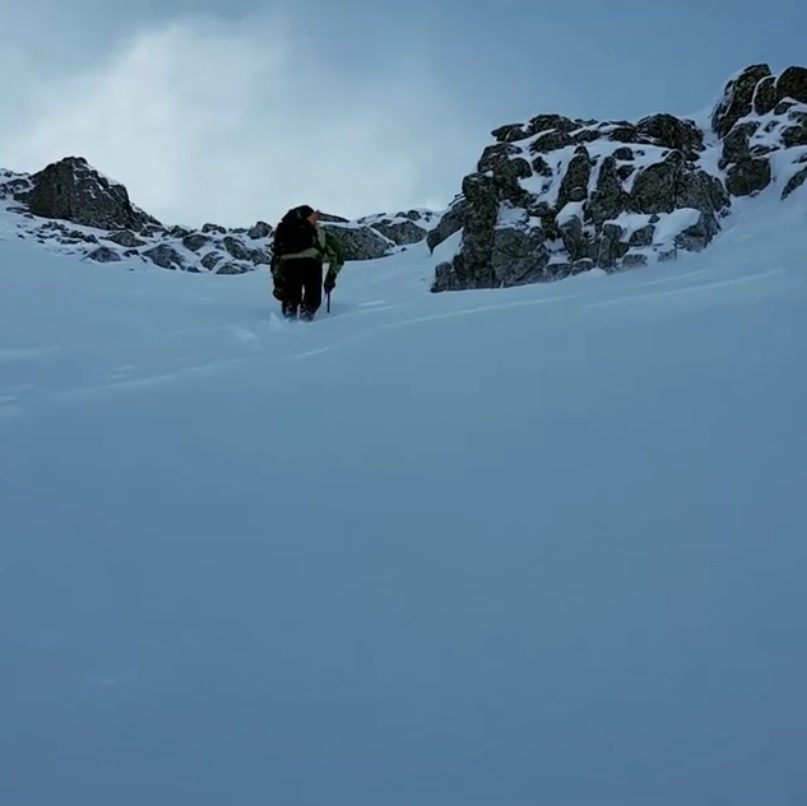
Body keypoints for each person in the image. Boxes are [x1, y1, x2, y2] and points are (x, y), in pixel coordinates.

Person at [270, 205, 344, 321]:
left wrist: (278, 284)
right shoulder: (319, 233)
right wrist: (330, 278)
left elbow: (276, 260)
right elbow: (338, 255)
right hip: (311, 263)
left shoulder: (285, 234)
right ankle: (307, 317)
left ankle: (289, 318)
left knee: (291, 298)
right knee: (312, 297)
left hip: (288, 265)